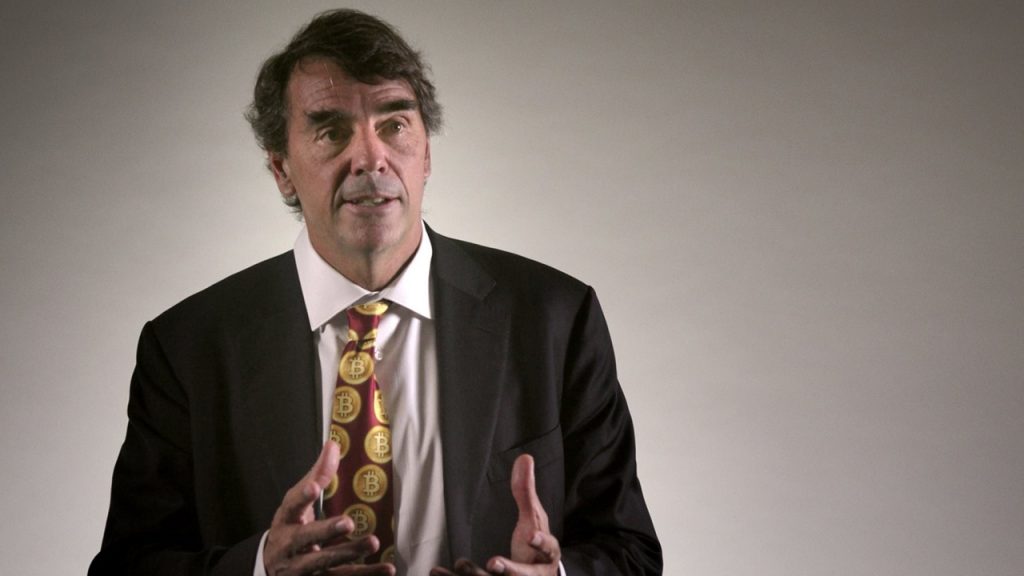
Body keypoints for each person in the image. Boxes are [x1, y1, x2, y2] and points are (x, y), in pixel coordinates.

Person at [90, 9, 661, 576]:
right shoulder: (187, 349)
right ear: (281, 168)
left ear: (427, 152)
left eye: (394, 125)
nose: (370, 158)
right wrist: (260, 568)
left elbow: (631, 552)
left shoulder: (555, 319)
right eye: (331, 131)